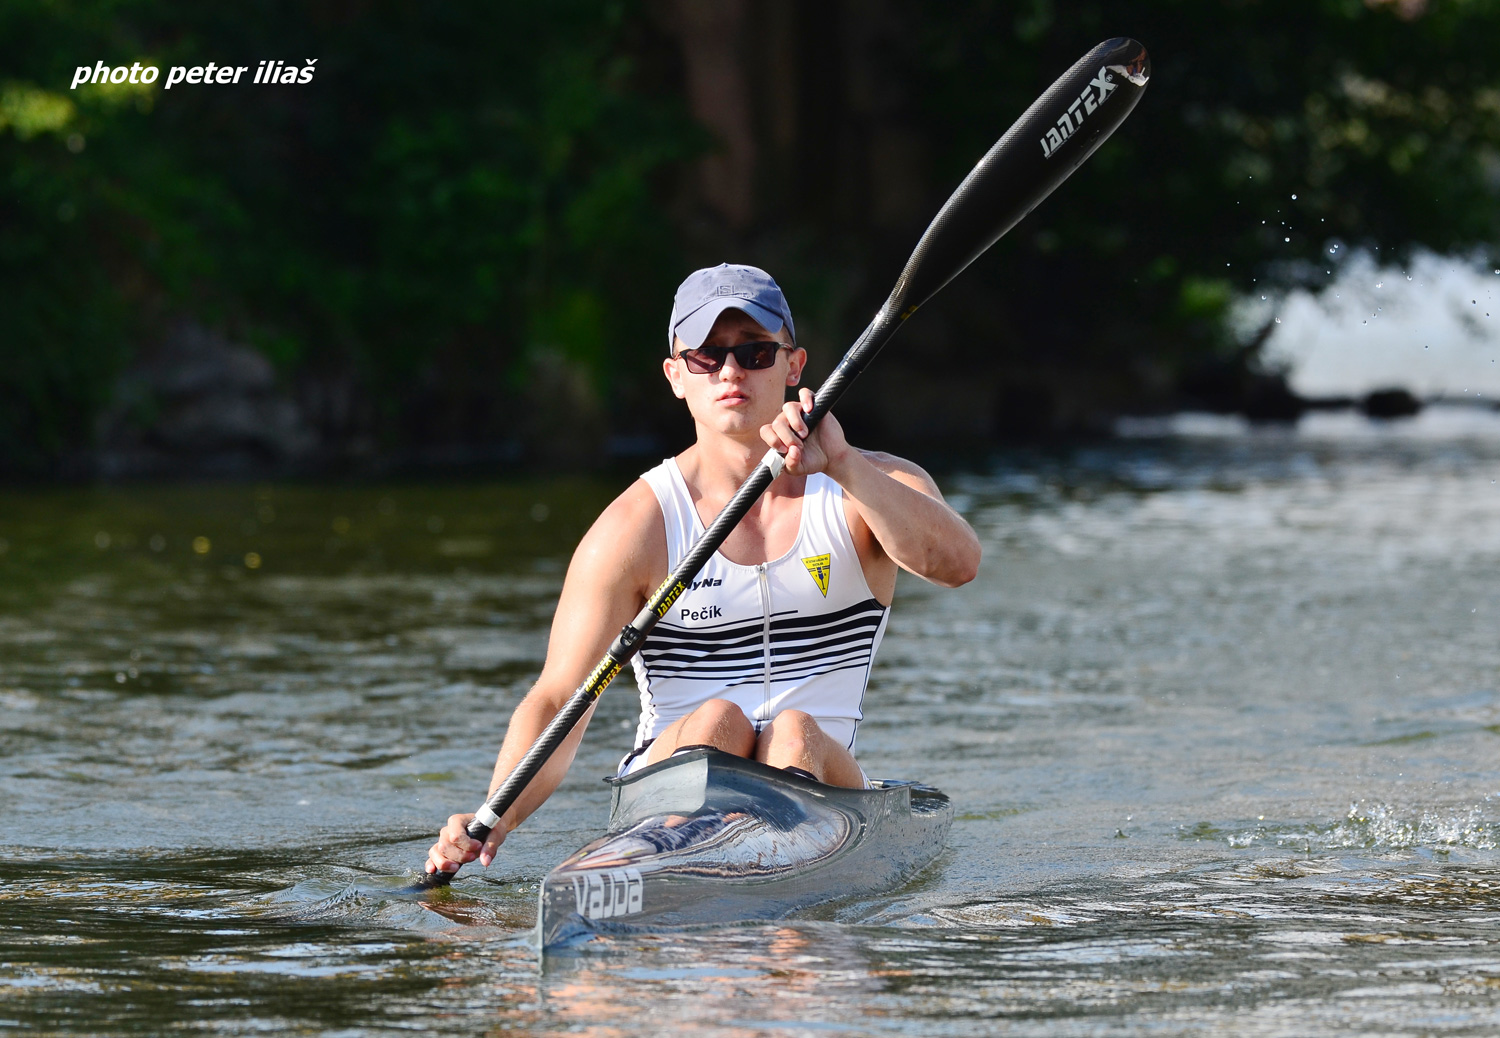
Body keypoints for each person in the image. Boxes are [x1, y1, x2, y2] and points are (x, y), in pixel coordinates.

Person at [426, 263, 980, 876]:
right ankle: (678, 862)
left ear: (794, 367)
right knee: (720, 719)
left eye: (754, 352)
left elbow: (959, 565)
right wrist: (493, 818)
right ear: (675, 376)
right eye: (706, 356)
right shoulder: (638, 526)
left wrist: (844, 464)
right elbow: (561, 696)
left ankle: (771, 866)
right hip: (669, 786)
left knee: (794, 731)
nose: (731, 372)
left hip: (821, 784)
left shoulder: (866, 487)